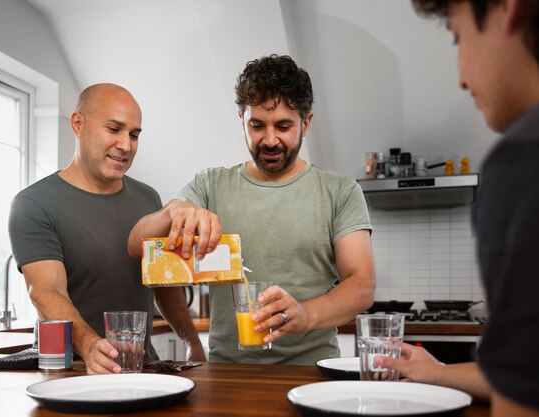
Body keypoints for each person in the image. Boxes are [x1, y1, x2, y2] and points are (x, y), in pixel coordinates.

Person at [128, 55, 376, 365]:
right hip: (226, 377)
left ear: (306, 123)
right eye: (257, 125)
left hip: (310, 373)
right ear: (242, 120)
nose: (270, 140)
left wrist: (304, 313)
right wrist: (174, 210)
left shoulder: (341, 191)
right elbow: (136, 245)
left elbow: (361, 287)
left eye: (284, 126)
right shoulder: (209, 185)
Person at [378, 1, 539, 415]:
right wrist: (440, 373)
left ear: (508, 9)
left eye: (458, 36)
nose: (462, 79)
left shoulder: (522, 162)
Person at [8, 83, 205, 374]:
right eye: (114, 129)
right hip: (71, 370)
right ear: (78, 124)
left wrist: (192, 342)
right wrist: (90, 347)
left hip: (143, 368)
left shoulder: (149, 198)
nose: (126, 145)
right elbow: (46, 291)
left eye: (134, 134)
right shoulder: (34, 204)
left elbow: (164, 286)